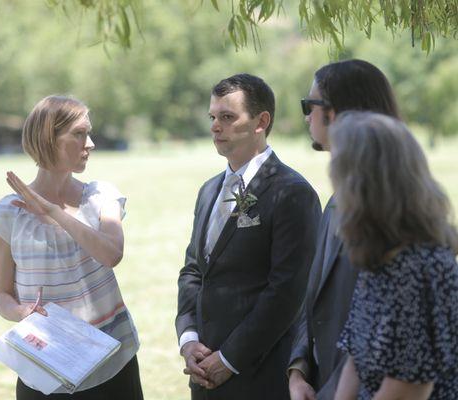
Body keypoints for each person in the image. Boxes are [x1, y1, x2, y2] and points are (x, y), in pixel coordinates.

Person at [0, 95, 143, 399]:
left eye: (89, 133)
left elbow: (111, 254)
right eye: (79, 134)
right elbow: (1, 295)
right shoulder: (6, 215)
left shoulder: (101, 196)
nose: (90, 143)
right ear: (48, 139)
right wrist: (20, 311)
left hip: (112, 363)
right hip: (46, 368)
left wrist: (53, 212)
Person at [176, 73, 321, 399]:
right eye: (213, 117)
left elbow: (287, 291)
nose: (215, 126)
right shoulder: (209, 190)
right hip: (202, 370)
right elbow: (193, 270)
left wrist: (229, 359)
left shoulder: (292, 192)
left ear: (261, 121)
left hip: (260, 373)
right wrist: (188, 339)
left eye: (227, 117)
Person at [288, 59, 400, 400]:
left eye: (310, 105)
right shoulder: (338, 199)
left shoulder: (390, 210)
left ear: (339, 113)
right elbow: (315, 300)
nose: (306, 115)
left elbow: (389, 327)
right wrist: (298, 370)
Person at [328, 112, 458, 399]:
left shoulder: (421, 268)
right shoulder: (381, 256)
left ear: (363, 185)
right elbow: (356, 358)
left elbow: (408, 387)